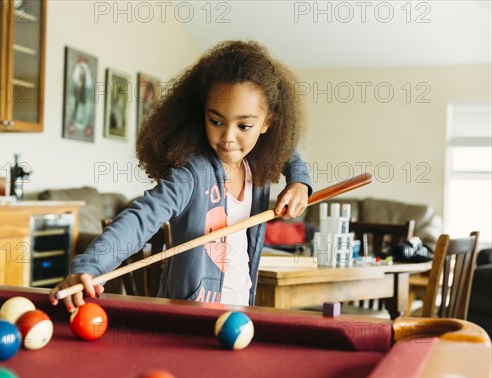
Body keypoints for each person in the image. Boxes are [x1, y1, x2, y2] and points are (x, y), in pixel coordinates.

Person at [50, 40, 312, 310]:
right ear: (202, 114)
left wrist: (299, 182)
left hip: (243, 308)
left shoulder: (257, 163)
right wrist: (89, 267)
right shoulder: (192, 173)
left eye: (244, 125)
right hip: (190, 316)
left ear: (268, 123)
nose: (228, 138)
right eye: (216, 121)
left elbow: (289, 151)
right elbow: (140, 219)